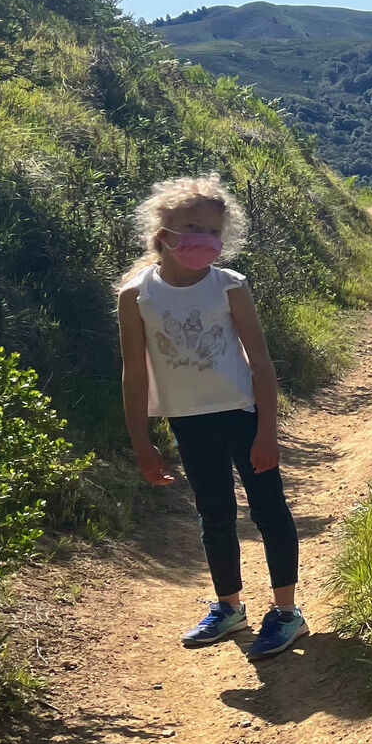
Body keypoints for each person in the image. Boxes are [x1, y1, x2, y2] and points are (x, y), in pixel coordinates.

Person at [116, 175, 308, 658]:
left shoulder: (230, 285)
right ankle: (229, 608)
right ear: (163, 230)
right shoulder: (135, 295)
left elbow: (261, 362)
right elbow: (134, 373)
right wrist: (142, 443)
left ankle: (287, 613)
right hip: (188, 420)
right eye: (192, 226)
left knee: (268, 510)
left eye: (213, 231)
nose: (204, 238)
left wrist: (268, 430)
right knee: (214, 515)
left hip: (242, 414)